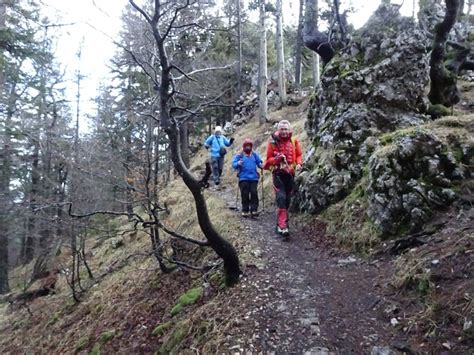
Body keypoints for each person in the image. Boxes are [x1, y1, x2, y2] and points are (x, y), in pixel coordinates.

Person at [264, 120, 303, 237]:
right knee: (281, 198)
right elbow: (268, 161)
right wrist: (277, 159)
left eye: (286, 129)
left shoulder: (294, 141)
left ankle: (281, 223)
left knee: (287, 200)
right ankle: (282, 226)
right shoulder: (272, 143)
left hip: (290, 175)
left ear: (289, 130)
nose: (284, 132)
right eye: (282, 129)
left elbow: (299, 154)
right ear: (278, 130)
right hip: (278, 174)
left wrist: (299, 163)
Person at [232, 138, 264, 218]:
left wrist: (261, 165)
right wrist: (238, 163)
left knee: (254, 193)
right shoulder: (240, 155)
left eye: (249, 146)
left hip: (254, 178)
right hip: (243, 178)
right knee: (244, 194)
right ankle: (245, 210)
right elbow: (233, 164)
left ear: (251, 146)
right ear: (244, 146)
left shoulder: (254, 154)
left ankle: (254, 210)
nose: (248, 148)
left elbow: (259, 162)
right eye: (246, 146)